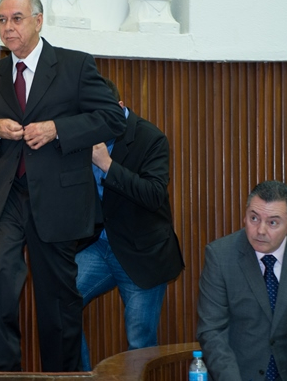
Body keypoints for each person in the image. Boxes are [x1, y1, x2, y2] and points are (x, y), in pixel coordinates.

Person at [0, 0, 126, 372]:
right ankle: (4, 376)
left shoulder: (74, 65)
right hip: (9, 198)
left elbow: (112, 119)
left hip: (57, 200)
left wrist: (57, 129)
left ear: (38, 21)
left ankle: (62, 377)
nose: (8, 27)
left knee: (57, 304)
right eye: (2, 20)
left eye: (16, 18)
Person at [76, 79, 184, 371]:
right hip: (97, 244)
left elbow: (153, 195)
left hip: (141, 251)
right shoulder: (81, 136)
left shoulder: (151, 138)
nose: (93, 126)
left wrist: (107, 165)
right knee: (61, 305)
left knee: (140, 340)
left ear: (119, 107)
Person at [196, 180, 287, 381]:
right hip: (237, 374)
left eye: (272, 222)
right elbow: (212, 330)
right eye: (254, 218)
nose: (260, 230)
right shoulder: (220, 256)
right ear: (245, 216)